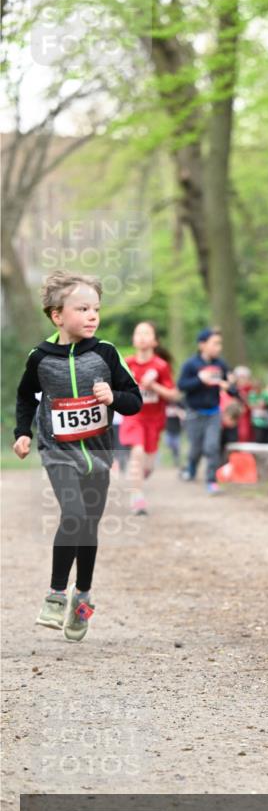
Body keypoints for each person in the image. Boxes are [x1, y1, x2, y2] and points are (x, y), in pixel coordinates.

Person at [13, 270, 142, 642]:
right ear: (57, 315)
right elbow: (25, 397)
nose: (92, 316)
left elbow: (134, 400)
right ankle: (56, 594)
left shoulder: (105, 353)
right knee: (73, 515)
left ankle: (82, 598)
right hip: (58, 452)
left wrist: (113, 397)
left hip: (98, 455)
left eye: (95, 309)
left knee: (88, 528)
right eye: (82, 309)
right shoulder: (41, 357)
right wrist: (22, 432)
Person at [119, 321, 179, 515]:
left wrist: (153, 386)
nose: (142, 337)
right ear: (133, 339)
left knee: (148, 466)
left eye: (147, 334)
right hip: (133, 416)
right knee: (137, 452)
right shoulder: (127, 363)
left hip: (154, 420)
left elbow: (173, 395)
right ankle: (137, 497)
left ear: (155, 341)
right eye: (138, 333)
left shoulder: (161, 366)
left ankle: (139, 476)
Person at [177, 328, 230, 494]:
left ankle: (211, 481)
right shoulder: (191, 364)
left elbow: (230, 386)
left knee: (212, 447)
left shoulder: (221, 365)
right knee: (196, 449)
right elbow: (181, 385)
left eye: (220, 344)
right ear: (202, 345)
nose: (219, 347)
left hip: (213, 413)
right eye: (215, 343)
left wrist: (229, 387)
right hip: (194, 413)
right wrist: (200, 380)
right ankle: (191, 468)